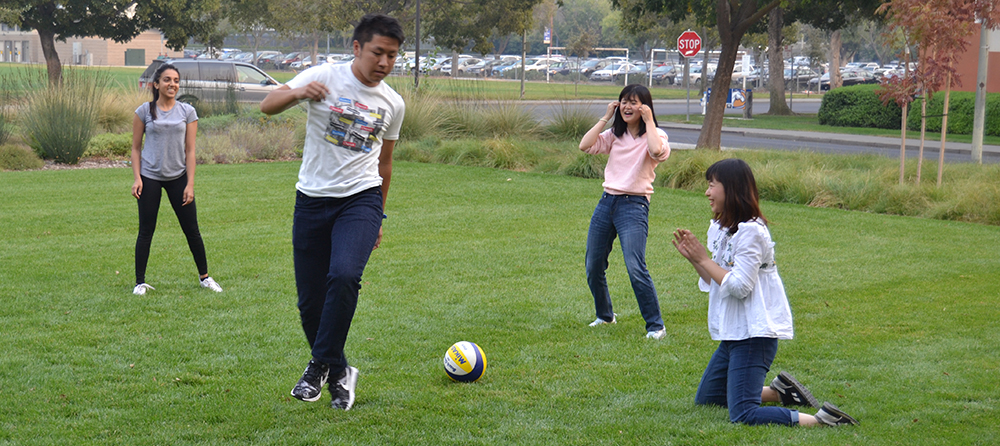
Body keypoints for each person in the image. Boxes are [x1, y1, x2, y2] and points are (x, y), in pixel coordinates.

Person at [259, 13, 405, 411]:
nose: (385, 63)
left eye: (392, 56)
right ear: (356, 48)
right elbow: (267, 105)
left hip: (361, 199)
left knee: (343, 275)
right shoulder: (324, 73)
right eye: (378, 53)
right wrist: (298, 93)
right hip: (311, 199)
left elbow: (385, 163)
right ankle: (341, 372)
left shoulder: (393, 102)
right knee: (310, 303)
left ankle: (318, 366)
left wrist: (379, 217)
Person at [671, 158, 858, 427]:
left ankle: (823, 420)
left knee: (744, 413)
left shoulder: (752, 232)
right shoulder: (722, 228)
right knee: (709, 398)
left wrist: (704, 260)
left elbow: (739, 287)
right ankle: (780, 392)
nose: (707, 192)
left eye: (713, 185)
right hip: (734, 330)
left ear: (732, 188)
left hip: (753, 334)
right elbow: (716, 282)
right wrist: (696, 259)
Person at [578, 84, 670, 340]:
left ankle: (656, 326)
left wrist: (649, 120)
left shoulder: (657, 134)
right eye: (624, 101)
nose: (628, 106)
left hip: (634, 205)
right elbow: (584, 145)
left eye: (634, 102)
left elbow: (656, 152)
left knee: (634, 266)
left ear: (645, 106)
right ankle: (605, 316)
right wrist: (606, 117)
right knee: (593, 264)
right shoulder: (614, 134)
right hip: (607, 202)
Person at [130, 63, 223, 296]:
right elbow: (135, 148)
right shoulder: (144, 111)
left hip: (178, 177)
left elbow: (190, 150)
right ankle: (139, 283)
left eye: (176, 80)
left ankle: (205, 277)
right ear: (156, 84)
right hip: (149, 177)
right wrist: (137, 178)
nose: (172, 84)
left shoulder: (187, 112)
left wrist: (190, 184)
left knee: (192, 229)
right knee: (146, 230)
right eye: (167, 80)